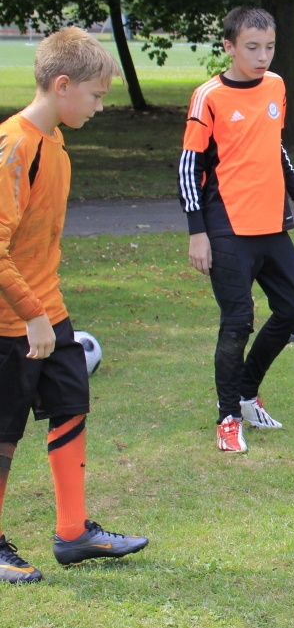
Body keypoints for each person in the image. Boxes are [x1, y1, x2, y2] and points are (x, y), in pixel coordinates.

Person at [0, 28, 148, 583]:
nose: (102, 105)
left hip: (46, 310)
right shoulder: (15, 146)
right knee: (4, 429)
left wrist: (46, 311)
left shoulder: (55, 141)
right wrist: (31, 314)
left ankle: (73, 534)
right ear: (62, 85)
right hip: (12, 320)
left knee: (70, 403)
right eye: (96, 94)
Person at [178, 6, 294, 454]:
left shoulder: (276, 86)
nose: (263, 57)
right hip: (226, 227)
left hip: (271, 223)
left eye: (270, 47)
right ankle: (227, 417)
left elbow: (276, 147)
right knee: (237, 321)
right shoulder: (208, 97)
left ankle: (246, 391)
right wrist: (196, 231)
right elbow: (188, 168)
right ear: (229, 47)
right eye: (252, 47)